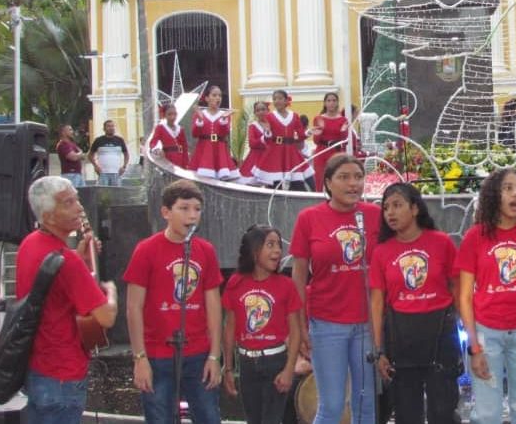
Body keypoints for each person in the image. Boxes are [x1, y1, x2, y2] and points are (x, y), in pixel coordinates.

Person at [456, 167, 516, 424]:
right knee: (487, 413)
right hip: (487, 333)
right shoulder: (475, 237)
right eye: (508, 188)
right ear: (493, 195)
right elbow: (464, 297)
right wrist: (474, 348)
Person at [290, 153, 382, 424]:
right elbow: (298, 275)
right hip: (327, 324)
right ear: (328, 183)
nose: (353, 183)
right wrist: (300, 325)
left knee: (365, 405)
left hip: (367, 324)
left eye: (358, 177)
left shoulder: (375, 215)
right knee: (330, 406)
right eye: (344, 177)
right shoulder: (309, 218)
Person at [17, 176, 117, 423]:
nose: (79, 208)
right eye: (68, 202)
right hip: (63, 372)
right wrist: (111, 292)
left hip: (38, 366)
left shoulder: (29, 244)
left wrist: (80, 257)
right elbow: (105, 316)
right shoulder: (68, 261)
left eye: (77, 199)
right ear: (48, 215)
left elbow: (55, 283)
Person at [123, 179, 223, 424]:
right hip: (158, 353)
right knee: (159, 417)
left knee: (209, 416)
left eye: (197, 209)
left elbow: (213, 305)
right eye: (185, 208)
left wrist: (214, 356)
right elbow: (133, 307)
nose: (192, 215)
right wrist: (139, 357)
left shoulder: (206, 250)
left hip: (198, 352)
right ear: (166, 212)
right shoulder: (146, 250)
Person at [369, 183, 461, 424]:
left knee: (443, 412)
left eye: (397, 205)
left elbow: (457, 288)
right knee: (407, 414)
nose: (390, 212)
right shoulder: (381, 252)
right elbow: (377, 303)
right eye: (386, 207)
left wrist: (470, 333)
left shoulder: (442, 243)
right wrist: (379, 350)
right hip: (401, 337)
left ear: (415, 208)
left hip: (441, 335)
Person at [222, 225, 302, 424]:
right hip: (247, 362)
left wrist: (289, 370)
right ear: (254, 250)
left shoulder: (286, 285)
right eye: (270, 245)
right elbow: (229, 327)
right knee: (253, 419)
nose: (277, 251)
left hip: (276, 361)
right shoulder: (236, 283)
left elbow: (295, 331)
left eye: (278, 245)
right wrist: (228, 367)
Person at [254, 89, 313, 191]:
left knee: (298, 182)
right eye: (274, 99)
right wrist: (267, 132)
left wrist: (309, 132)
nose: (277, 101)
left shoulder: (294, 116)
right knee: (276, 183)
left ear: (286, 101)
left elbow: (300, 135)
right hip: (275, 153)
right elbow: (268, 139)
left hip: (291, 152)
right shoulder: (269, 116)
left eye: (280, 98)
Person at [190, 85, 241, 182]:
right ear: (207, 98)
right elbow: (195, 134)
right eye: (214, 95)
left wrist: (223, 119)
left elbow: (224, 133)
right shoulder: (200, 114)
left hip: (220, 149)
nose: (218, 98)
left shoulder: (224, 114)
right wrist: (200, 120)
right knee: (203, 178)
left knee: (222, 179)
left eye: (220, 96)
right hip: (204, 149)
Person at [310, 92, 349, 189]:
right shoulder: (318, 118)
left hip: (337, 153)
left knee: (338, 180)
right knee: (320, 180)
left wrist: (343, 131)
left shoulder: (343, 120)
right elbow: (316, 141)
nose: (331, 103)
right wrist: (320, 131)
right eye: (329, 100)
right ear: (325, 103)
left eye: (334, 100)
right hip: (322, 152)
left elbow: (345, 141)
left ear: (337, 103)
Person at [89, 119, 129, 187]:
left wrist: (124, 166)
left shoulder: (120, 140)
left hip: (117, 173)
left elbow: (126, 154)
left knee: (116, 194)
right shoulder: (98, 140)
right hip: (103, 173)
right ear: (104, 128)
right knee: (103, 194)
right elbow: (90, 155)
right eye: (109, 126)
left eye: (112, 126)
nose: (111, 128)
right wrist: (95, 166)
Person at [148, 104, 190, 169]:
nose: (172, 117)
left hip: (180, 157)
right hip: (168, 157)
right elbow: (153, 142)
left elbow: (184, 146)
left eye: (175, 114)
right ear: (165, 115)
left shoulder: (180, 129)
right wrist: (156, 149)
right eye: (169, 114)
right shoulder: (160, 128)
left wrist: (186, 162)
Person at [239, 101, 270, 185]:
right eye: (258, 110)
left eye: (263, 109)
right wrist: (264, 138)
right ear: (255, 113)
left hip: (270, 158)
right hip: (255, 159)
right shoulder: (253, 126)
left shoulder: (273, 125)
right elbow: (252, 143)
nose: (261, 112)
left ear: (268, 110)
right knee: (253, 184)